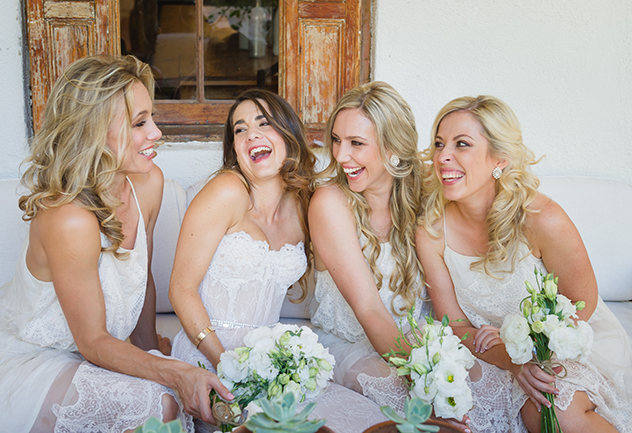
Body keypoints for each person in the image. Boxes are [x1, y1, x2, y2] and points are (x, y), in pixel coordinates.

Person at [0, 55, 231, 433]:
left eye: (152, 118)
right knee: (161, 404)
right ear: (94, 132)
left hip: (95, 350)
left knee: (190, 400)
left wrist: (148, 348)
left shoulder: (148, 184)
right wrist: (173, 372)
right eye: (139, 123)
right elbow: (93, 342)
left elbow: (140, 275)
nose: (157, 134)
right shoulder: (69, 219)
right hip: (35, 358)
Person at [169, 88, 386, 432]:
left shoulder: (303, 204)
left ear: (288, 135)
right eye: (239, 129)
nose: (250, 134)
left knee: (363, 421)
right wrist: (226, 365)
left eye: (263, 123)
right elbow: (181, 290)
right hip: (208, 351)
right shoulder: (226, 192)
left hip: (271, 361)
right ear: (235, 148)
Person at [416, 95, 632, 433]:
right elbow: (455, 325)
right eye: (439, 143)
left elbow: (582, 303)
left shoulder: (541, 218)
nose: (443, 157)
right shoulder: (431, 229)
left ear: (499, 158)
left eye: (462, 144)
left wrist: (531, 349)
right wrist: (512, 359)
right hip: (486, 349)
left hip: (566, 343)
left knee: (554, 412)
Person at [308, 81, 431, 414]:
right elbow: (369, 310)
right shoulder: (330, 203)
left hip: (416, 343)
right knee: (413, 400)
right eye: (336, 140)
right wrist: (428, 376)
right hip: (348, 345)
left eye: (356, 143)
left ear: (393, 148)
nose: (339, 155)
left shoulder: (423, 198)